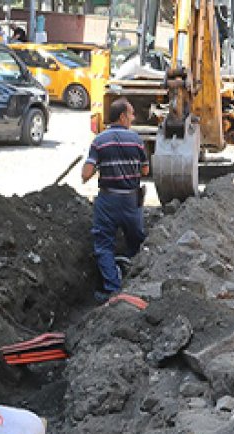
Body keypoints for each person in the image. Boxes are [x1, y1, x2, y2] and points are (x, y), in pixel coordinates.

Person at [80, 98, 148, 303]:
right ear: (122, 116)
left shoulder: (99, 141)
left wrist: (98, 165)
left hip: (108, 200)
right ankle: (133, 282)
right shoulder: (136, 140)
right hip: (130, 201)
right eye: (131, 114)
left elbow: (86, 173)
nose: (133, 118)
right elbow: (145, 170)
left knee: (103, 245)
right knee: (136, 240)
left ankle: (113, 290)